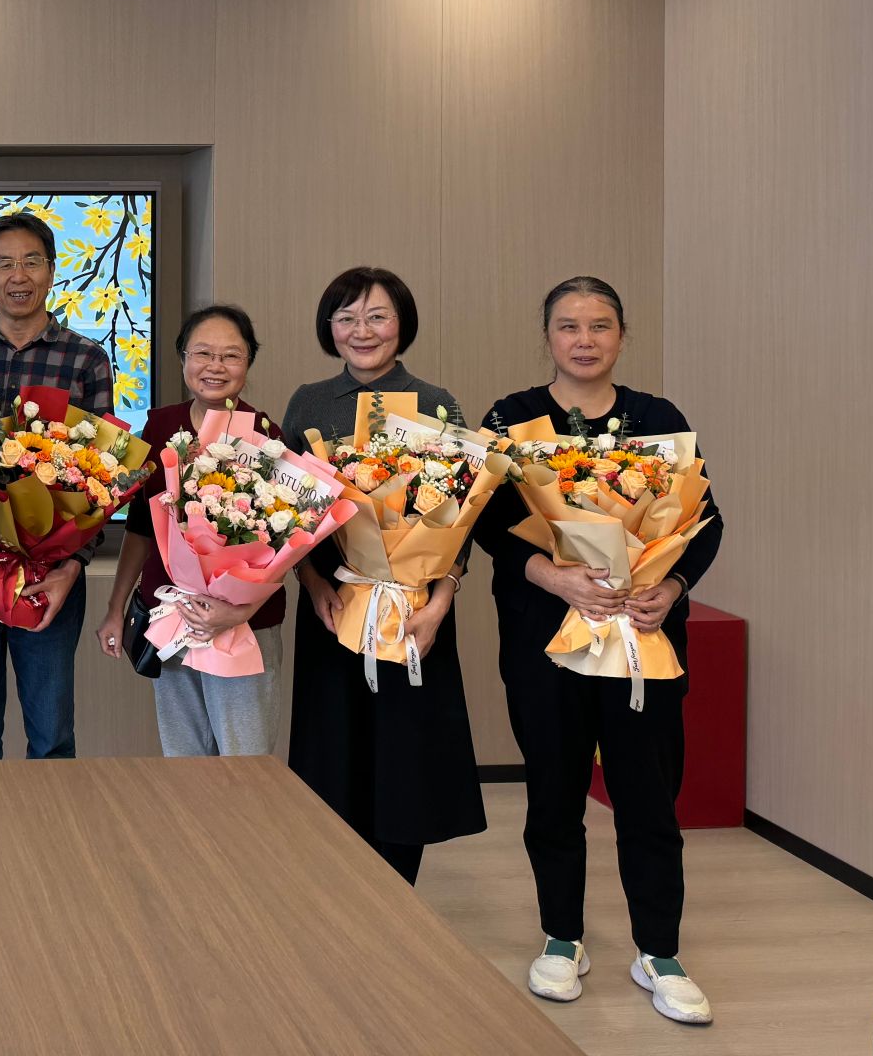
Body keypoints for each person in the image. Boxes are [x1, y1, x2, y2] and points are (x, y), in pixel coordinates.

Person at [477, 276, 722, 1025]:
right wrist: (552, 575)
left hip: (642, 636)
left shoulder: (659, 419)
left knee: (648, 794)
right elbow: (483, 524)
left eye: (600, 325)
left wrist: (671, 586)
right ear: (547, 335)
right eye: (569, 325)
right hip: (545, 639)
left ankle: (660, 951)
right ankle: (563, 938)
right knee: (553, 790)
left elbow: (705, 520)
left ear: (621, 334)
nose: (584, 340)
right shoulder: (511, 419)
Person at [283, 265, 485, 885]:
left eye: (377, 317)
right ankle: (339, 893)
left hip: (414, 610)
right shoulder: (308, 402)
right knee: (333, 751)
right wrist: (314, 585)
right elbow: (288, 512)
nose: (361, 331)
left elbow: (462, 516)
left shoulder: (436, 402)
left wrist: (441, 602)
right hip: (335, 605)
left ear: (402, 323)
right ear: (329, 328)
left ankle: (398, 892)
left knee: (405, 759)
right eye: (346, 318)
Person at [0, 211, 115, 760]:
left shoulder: (85, 359)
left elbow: (103, 477)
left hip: (52, 572)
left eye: (32, 261)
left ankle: (48, 824)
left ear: (52, 271)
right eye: (4, 263)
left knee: (52, 737)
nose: (19, 275)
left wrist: (71, 565)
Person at [96, 304, 285, 757]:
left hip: (243, 625)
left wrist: (237, 611)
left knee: (245, 760)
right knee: (184, 760)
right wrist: (116, 608)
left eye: (230, 355)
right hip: (171, 617)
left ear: (248, 362)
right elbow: (141, 528)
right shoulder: (160, 425)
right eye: (202, 353)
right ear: (183, 357)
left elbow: (287, 545)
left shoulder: (266, 437)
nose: (215, 366)